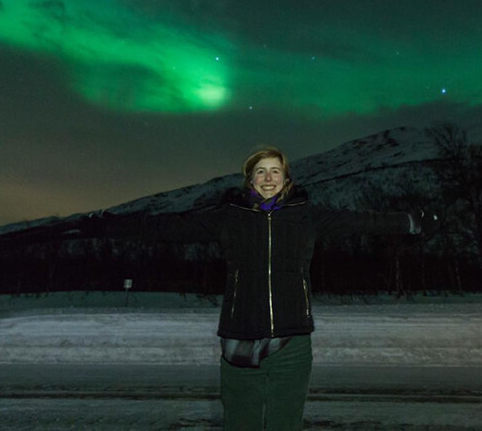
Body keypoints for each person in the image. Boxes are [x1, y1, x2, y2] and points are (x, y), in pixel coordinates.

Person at [75, 145, 429, 431]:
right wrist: (106, 227)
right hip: (238, 341)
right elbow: (165, 227)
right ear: (250, 179)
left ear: (286, 178)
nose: (268, 177)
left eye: (276, 170)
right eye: (260, 171)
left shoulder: (308, 215)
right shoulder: (228, 216)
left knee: (286, 425)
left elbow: (362, 222)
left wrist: (410, 221)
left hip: (292, 341)